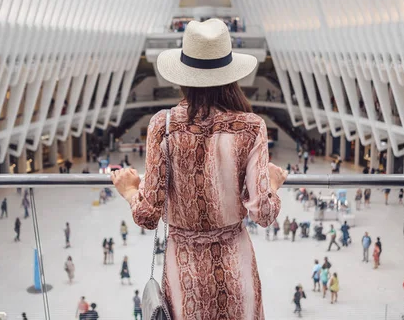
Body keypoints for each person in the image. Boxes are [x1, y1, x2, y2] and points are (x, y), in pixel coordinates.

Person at [111, 19, 286, 319]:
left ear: (184, 77)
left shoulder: (162, 126)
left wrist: (129, 190)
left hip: (184, 273)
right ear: (231, 76)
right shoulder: (251, 127)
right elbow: (264, 214)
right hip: (236, 268)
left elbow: (147, 215)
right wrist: (270, 182)